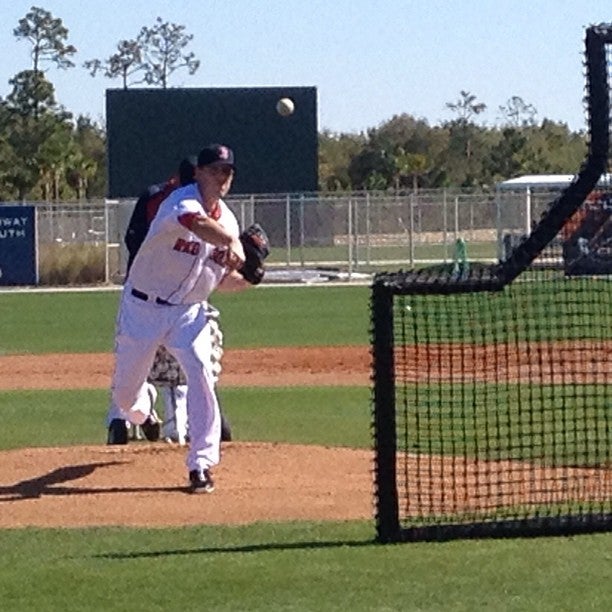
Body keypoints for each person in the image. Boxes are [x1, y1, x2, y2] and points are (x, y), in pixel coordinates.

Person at [109, 143, 250, 493]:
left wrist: (251, 276)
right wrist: (234, 246)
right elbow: (197, 224)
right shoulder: (181, 202)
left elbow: (224, 281)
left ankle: (201, 464)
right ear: (199, 173)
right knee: (126, 398)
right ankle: (145, 412)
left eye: (227, 171)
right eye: (216, 170)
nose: (222, 177)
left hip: (188, 313)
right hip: (143, 307)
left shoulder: (229, 220)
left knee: (201, 374)